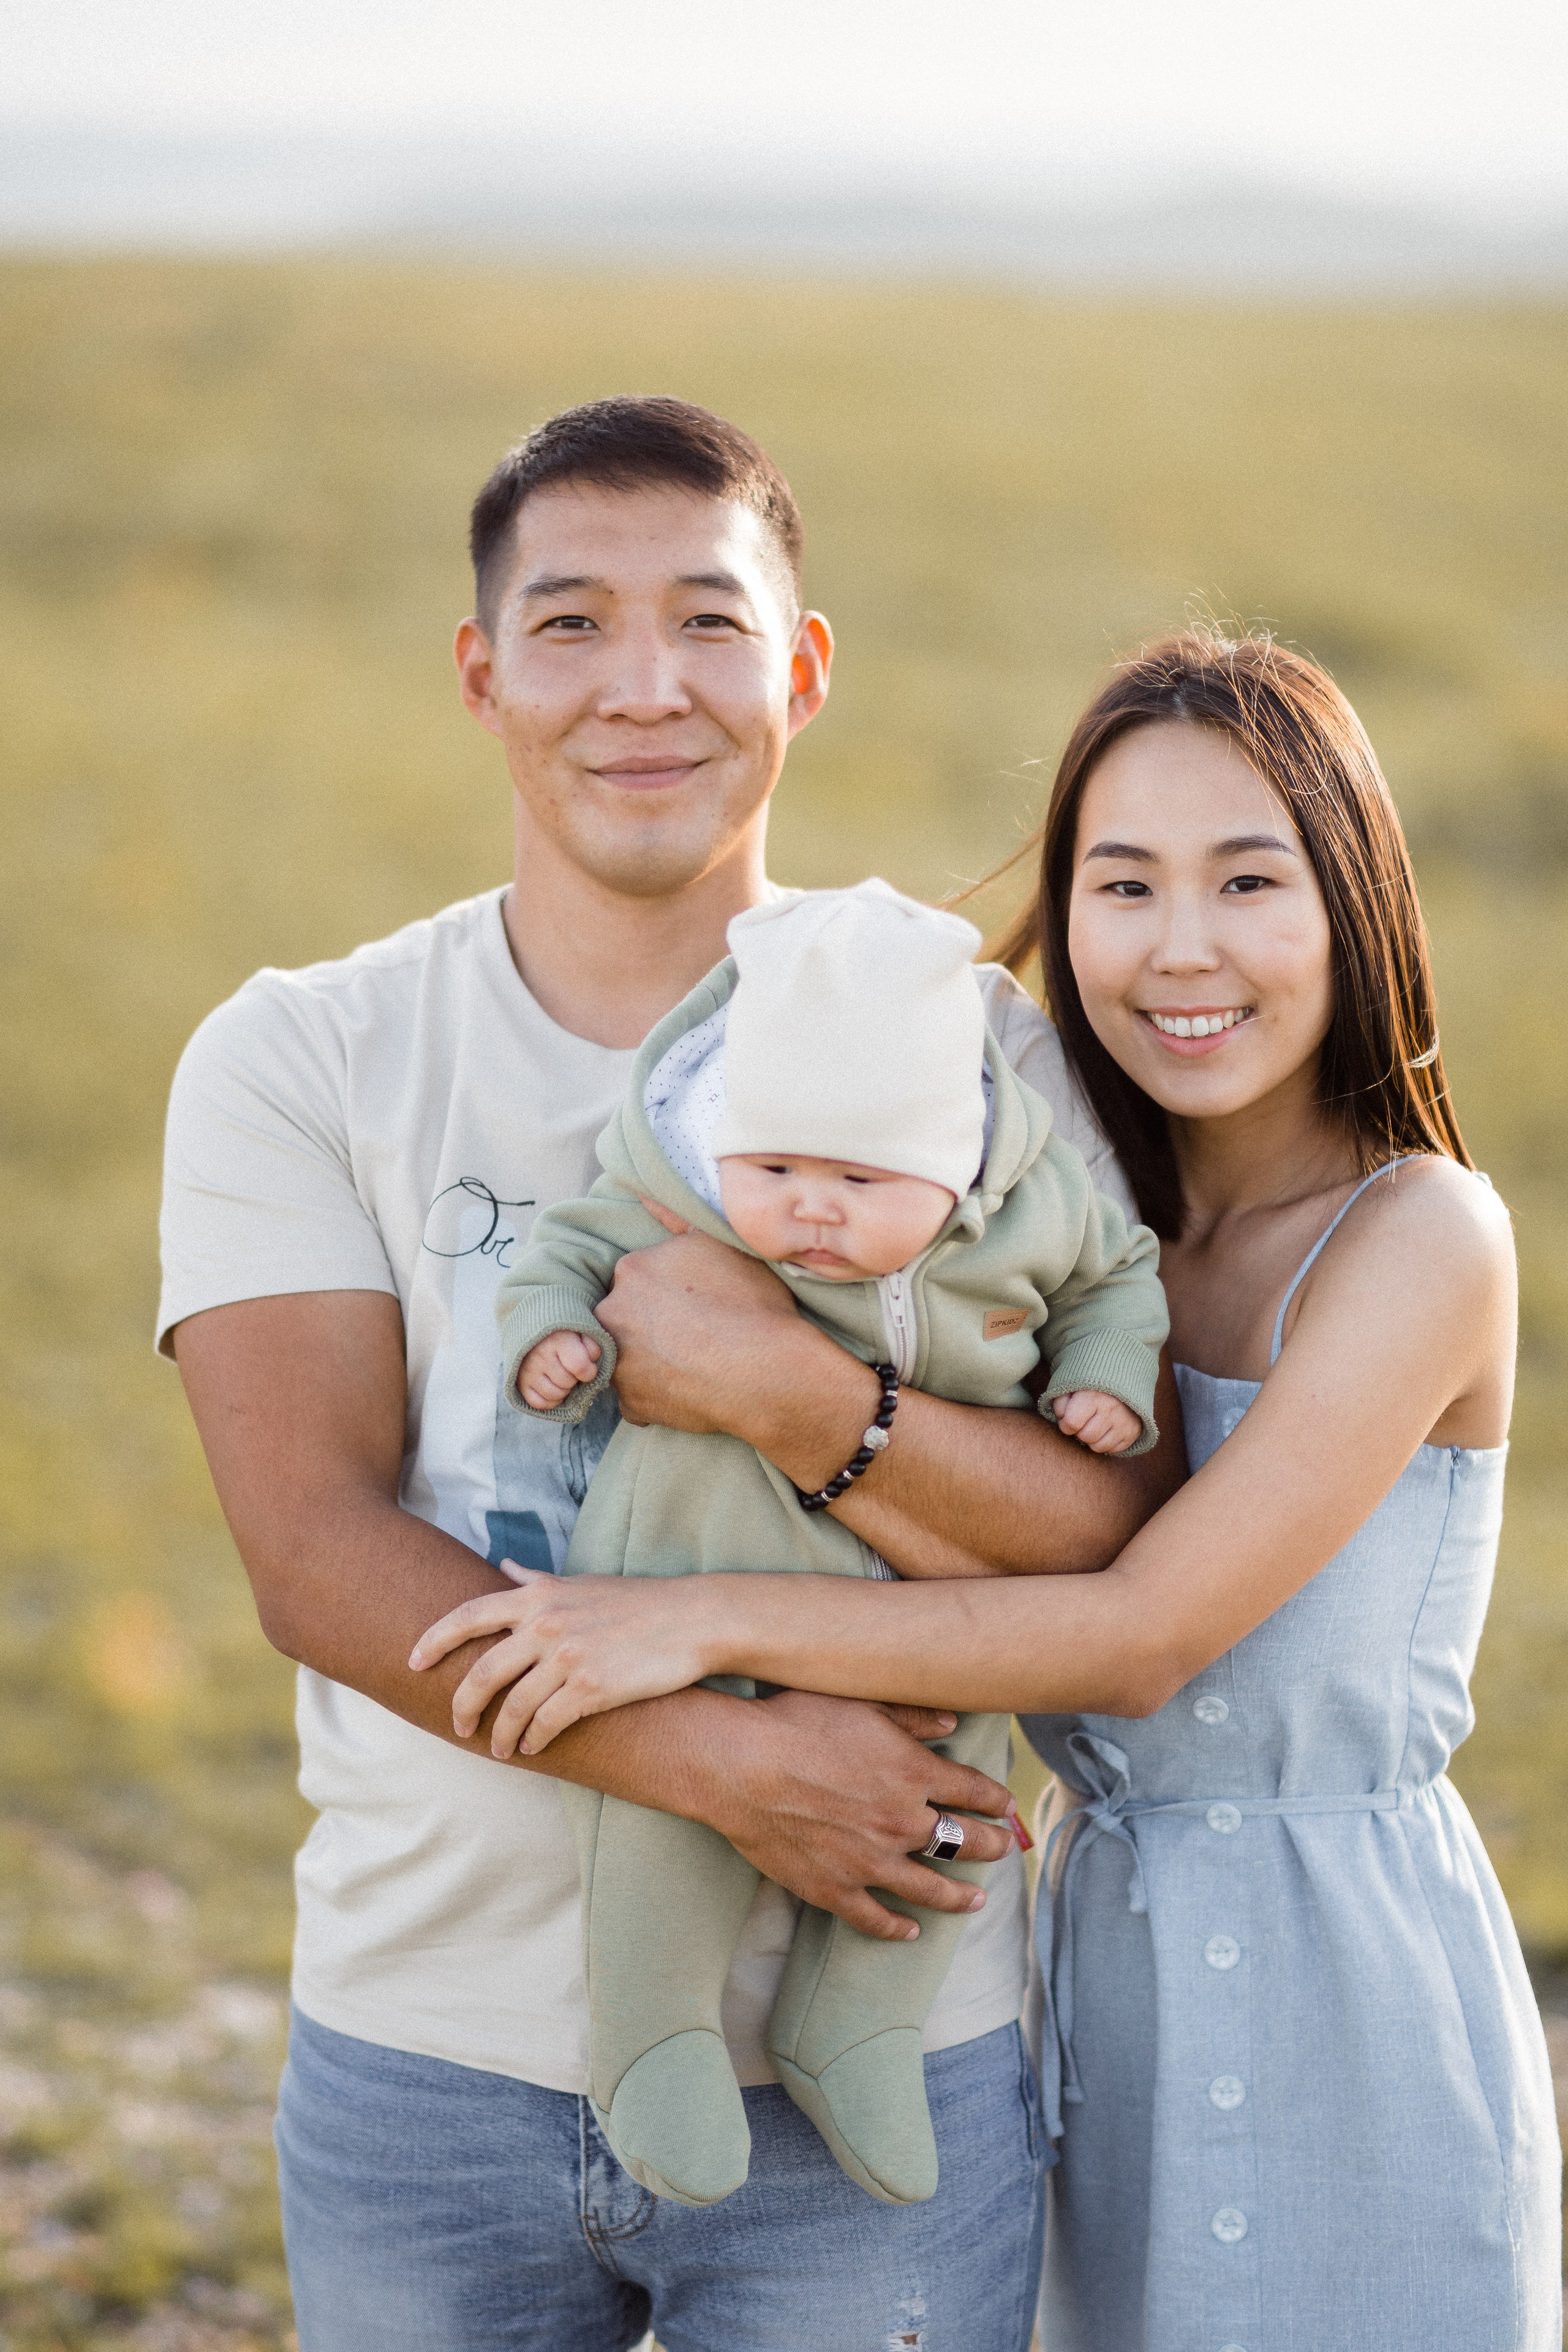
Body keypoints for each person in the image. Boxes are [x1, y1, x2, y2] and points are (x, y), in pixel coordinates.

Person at [159, 395, 1185, 2352]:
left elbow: (1112, 1538)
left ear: (800, 671)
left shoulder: (983, 1060)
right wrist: (731, 1766)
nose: (644, 686)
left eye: (709, 623)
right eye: (568, 625)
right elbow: (311, 1552)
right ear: (481, 677)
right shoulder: (307, 1054)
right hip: (426, 2053)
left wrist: (794, 1399)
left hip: (889, 2042)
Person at [483, 630, 1563, 2350]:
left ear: (1353, 907)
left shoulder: (1419, 1237)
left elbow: (1140, 1639)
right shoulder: (1044, 1244)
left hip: (1343, 1999)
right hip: (1096, 1983)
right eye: (1122, 885)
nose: (1183, 948)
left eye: (1250, 882)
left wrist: (686, 1616)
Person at [409, 877, 1166, 2211]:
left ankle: (854, 2032)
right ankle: (653, 2037)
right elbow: (565, 1253)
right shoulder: (684, 1195)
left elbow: (1115, 1283)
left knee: (945, 1821)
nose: (808, 1208)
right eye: (774, 1170)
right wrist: (553, 1339)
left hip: (933, 1620)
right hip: (682, 1581)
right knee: (656, 1838)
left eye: (858, 1181)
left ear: (950, 1165)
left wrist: (1098, 1374)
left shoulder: (1032, 1207)